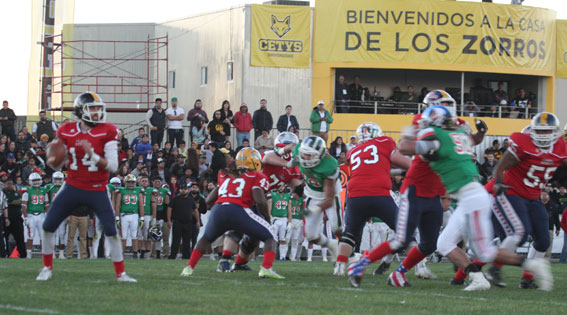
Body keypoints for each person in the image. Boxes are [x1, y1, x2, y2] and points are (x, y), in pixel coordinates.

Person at [37, 92, 136, 281]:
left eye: (98, 108)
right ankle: (47, 268)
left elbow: (114, 166)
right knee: (48, 226)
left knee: (110, 230)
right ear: (80, 110)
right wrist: (54, 160)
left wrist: (93, 155)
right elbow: (58, 160)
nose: (97, 112)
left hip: (97, 188)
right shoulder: (66, 129)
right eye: (92, 108)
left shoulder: (107, 130)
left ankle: (121, 273)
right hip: (72, 186)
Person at [486, 112, 564, 289]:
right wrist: (498, 184)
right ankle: (494, 268)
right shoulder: (523, 144)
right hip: (513, 193)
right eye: (539, 131)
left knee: (544, 240)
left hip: (533, 196)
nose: (543, 135)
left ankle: (527, 278)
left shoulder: (561, 147)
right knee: (520, 233)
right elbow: (500, 167)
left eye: (547, 131)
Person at [181, 148, 284, 279]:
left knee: (206, 238)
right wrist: (267, 219)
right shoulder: (256, 176)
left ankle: (188, 268)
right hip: (239, 209)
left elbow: (208, 200)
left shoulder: (226, 175)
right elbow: (260, 201)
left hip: (219, 209)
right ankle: (266, 268)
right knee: (271, 235)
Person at [334, 122, 411, 276]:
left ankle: (339, 267)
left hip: (355, 194)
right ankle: (419, 266)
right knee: (404, 230)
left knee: (350, 233)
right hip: (379, 192)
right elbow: (399, 162)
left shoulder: (352, 151)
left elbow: (372, 165)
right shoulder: (385, 142)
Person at [290, 136, 341, 261]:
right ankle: (332, 245)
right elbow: (291, 147)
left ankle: (350, 255)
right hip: (312, 194)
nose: (306, 157)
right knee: (310, 236)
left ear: (321, 155)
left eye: (310, 155)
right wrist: (281, 152)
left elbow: (329, 199)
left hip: (329, 196)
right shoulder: (298, 151)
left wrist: (313, 210)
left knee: (337, 228)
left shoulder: (329, 165)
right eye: (305, 154)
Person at [114, 174, 144, 258]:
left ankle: (135, 252)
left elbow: (141, 205)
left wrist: (142, 218)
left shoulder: (138, 191)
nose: (130, 184)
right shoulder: (121, 191)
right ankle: (122, 252)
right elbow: (117, 205)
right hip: (124, 215)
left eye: (132, 182)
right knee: (123, 235)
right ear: (125, 182)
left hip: (134, 215)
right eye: (129, 182)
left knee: (134, 235)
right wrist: (117, 217)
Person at [168, 182, 198, 259]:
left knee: (187, 241)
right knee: (175, 241)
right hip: (177, 222)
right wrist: (169, 220)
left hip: (188, 223)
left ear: (188, 190)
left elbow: (195, 210)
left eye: (185, 189)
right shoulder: (175, 199)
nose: (183, 191)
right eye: (182, 189)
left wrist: (198, 221)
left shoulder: (191, 200)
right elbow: (169, 209)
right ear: (179, 190)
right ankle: (172, 256)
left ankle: (186, 256)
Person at [22, 172, 49, 259]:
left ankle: (43, 254)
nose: (36, 182)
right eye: (34, 180)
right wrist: (25, 217)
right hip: (31, 215)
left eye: (37, 180)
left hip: (41, 214)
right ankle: (29, 254)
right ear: (30, 181)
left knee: (43, 236)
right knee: (30, 235)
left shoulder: (43, 190)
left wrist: (48, 216)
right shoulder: (27, 191)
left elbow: (46, 205)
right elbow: (24, 206)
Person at [3, 178, 25, 258]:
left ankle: (22, 254)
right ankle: (5, 254)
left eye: (11, 184)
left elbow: (19, 202)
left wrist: (7, 202)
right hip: (5, 219)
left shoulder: (16, 193)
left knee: (20, 238)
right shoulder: (2, 193)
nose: (9, 186)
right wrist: (10, 202)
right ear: (4, 184)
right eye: (8, 184)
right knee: (3, 238)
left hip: (16, 219)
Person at [269, 185, 291, 261]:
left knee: (283, 239)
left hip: (284, 219)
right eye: (279, 186)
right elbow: (269, 208)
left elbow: (289, 211)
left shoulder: (288, 196)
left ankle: (282, 257)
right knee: (273, 239)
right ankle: (271, 256)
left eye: (282, 186)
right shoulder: (273, 195)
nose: (281, 188)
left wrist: (290, 222)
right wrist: (270, 219)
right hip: (275, 219)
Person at [151, 177, 171, 259]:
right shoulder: (150, 190)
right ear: (152, 182)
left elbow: (167, 204)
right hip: (154, 216)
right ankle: (153, 255)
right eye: (155, 181)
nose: (157, 183)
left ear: (161, 182)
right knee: (154, 238)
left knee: (165, 238)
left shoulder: (165, 191)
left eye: (159, 181)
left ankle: (165, 255)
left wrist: (167, 219)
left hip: (164, 216)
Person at [138, 176, 157, 259]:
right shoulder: (136, 190)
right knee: (138, 235)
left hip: (147, 215)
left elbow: (154, 205)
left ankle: (147, 255)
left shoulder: (151, 191)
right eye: (143, 181)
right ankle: (138, 253)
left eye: (146, 181)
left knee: (147, 236)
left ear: (148, 183)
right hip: (137, 215)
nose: (144, 182)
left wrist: (154, 217)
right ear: (139, 182)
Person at [541, 191, 561, 259]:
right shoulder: (537, 205)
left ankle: (546, 259)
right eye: (542, 194)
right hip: (539, 228)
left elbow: (556, 217)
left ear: (548, 197)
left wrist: (558, 228)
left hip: (549, 228)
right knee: (539, 243)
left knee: (549, 243)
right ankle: (538, 258)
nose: (543, 195)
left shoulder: (553, 206)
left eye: (545, 194)